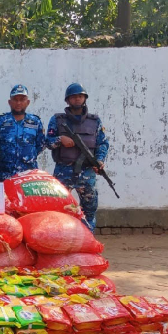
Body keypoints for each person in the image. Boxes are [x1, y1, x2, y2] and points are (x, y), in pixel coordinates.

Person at [47, 83, 109, 231]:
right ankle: (58, 238)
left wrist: (99, 160)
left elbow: (102, 143)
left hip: (87, 172)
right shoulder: (57, 120)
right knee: (57, 209)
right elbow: (47, 142)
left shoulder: (94, 121)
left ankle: (87, 239)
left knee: (89, 210)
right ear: (67, 100)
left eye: (80, 96)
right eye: (73, 97)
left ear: (85, 98)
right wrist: (60, 139)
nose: (77, 99)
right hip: (63, 171)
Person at [0, 84, 46, 182]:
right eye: (15, 100)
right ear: (9, 102)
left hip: (28, 176)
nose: (18, 103)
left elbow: (40, 145)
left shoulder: (35, 122)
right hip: (5, 175)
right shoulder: (0, 121)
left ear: (28, 102)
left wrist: (26, 155)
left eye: (22, 100)